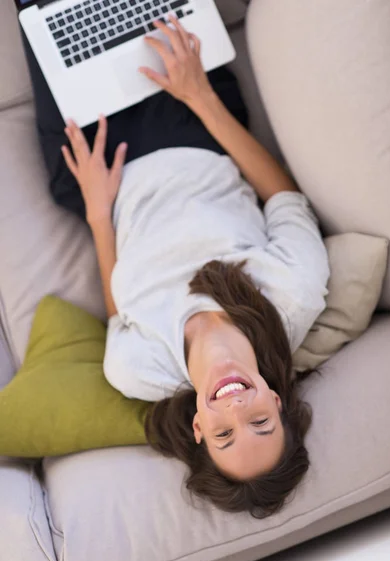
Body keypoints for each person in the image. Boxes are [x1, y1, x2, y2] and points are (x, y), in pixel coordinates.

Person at [23, 15, 330, 519]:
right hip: (193, 126)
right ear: (277, 403)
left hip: (102, 175)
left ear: (198, 429)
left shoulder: (138, 373)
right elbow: (284, 198)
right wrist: (201, 99)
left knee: (51, 14)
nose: (236, 409)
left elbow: (123, 312)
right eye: (259, 424)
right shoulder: (293, 298)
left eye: (225, 434)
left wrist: (100, 213)